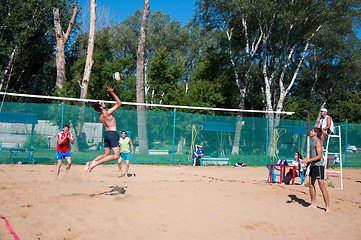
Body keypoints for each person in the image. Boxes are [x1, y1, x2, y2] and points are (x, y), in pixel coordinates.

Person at [84, 86, 122, 173]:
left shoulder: (100, 116)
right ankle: (95, 164)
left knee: (106, 154)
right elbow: (119, 103)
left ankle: (90, 163)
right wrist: (112, 93)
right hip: (112, 134)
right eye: (102, 103)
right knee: (116, 156)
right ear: (101, 107)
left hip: (106, 134)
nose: (103, 103)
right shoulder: (107, 113)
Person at [302, 127, 330, 212]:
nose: (310, 132)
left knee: (322, 186)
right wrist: (307, 164)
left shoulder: (318, 142)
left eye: (312, 131)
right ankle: (313, 203)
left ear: (316, 133)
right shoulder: (312, 142)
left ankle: (327, 207)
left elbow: (319, 156)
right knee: (310, 184)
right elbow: (312, 156)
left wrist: (308, 160)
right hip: (313, 166)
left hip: (319, 166)